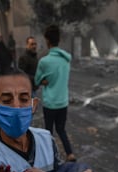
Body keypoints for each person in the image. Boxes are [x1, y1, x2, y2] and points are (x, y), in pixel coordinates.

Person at [34, 25, 76, 162]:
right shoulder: (66, 60)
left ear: (47, 41)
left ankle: (49, 157)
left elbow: (37, 80)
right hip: (63, 101)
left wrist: (44, 81)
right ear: (59, 40)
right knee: (61, 129)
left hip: (50, 102)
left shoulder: (44, 61)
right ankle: (69, 153)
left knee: (48, 132)